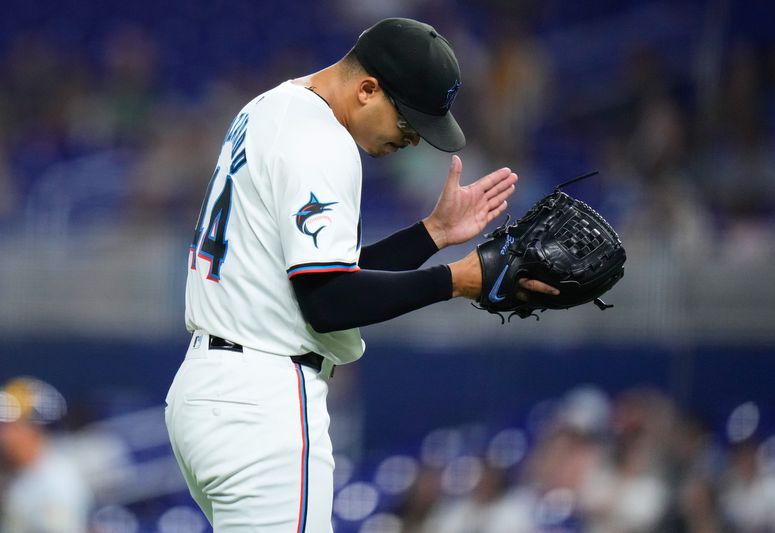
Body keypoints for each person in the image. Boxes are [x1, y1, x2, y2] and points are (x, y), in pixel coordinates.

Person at [165, 17, 557, 532]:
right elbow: (329, 301)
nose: (415, 140)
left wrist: (432, 235)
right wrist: (456, 280)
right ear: (367, 89)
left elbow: (323, 276)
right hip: (264, 404)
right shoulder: (320, 141)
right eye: (409, 122)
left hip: (212, 391)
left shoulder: (270, 108)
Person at [0, 377, 93, 533]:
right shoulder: (20, 472)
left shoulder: (56, 482)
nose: (3, 435)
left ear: (33, 429)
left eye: (9, 425)